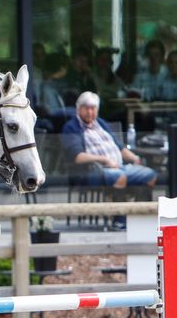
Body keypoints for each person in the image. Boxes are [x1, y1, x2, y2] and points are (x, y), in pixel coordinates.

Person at [61, 91, 156, 228]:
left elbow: (120, 148)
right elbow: (78, 157)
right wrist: (104, 160)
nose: (89, 112)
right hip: (90, 171)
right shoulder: (71, 127)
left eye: (93, 108)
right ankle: (120, 221)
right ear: (78, 109)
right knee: (120, 176)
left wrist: (135, 158)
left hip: (118, 166)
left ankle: (140, 220)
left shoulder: (100, 123)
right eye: (86, 108)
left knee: (149, 175)